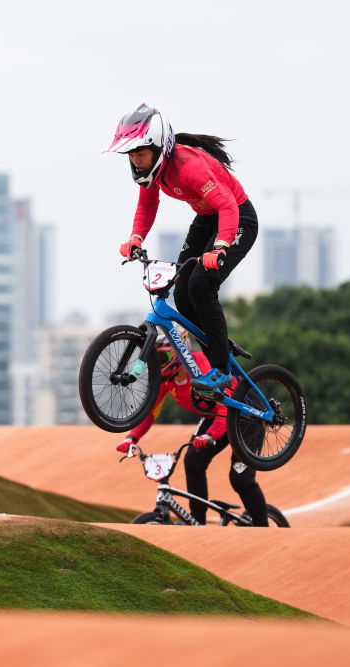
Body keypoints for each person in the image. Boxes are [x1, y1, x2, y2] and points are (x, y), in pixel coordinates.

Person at [104, 103, 259, 391]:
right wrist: (136, 238)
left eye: (141, 153)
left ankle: (221, 369)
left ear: (159, 148)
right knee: (182, 292)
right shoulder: (152, 172)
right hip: (206, 219)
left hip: (237, 218)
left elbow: (228, 206)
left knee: (200, 285)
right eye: (131, 155)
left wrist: (220, 248)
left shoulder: (190, 168)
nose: (136, 161)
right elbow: (147, 206)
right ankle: (218, 351)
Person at [116, 337, 269, 526]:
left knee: (240, 478)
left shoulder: (199, 366)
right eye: (153, 360)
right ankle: (198, 523)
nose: (156, 365)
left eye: (161, 359)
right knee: (193, 461)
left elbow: (226, 405)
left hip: (247, 416)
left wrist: (210, 435)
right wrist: (132, 438)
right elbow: (150, 412)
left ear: (176, 355)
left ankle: (263, 529)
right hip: (216, 415)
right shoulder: (165, 381)